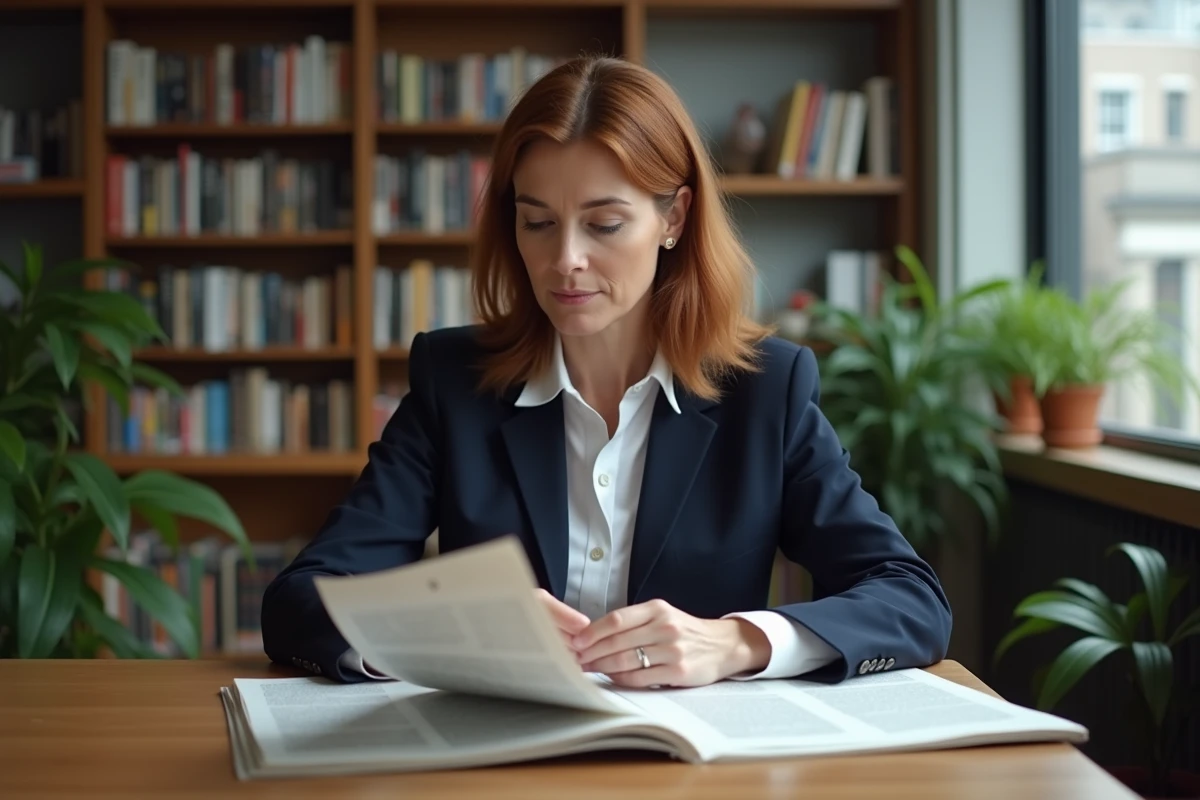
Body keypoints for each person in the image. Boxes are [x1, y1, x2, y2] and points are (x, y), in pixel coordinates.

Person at [261, 55, 952, 688]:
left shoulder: (767, 390)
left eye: (604, 224)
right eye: (538, 223)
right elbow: (299, 602)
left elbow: (910, 598)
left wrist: (735, 642)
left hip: (699, 762)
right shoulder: (455, 382)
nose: (565, 260)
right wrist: (447, 631)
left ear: (674, 217)